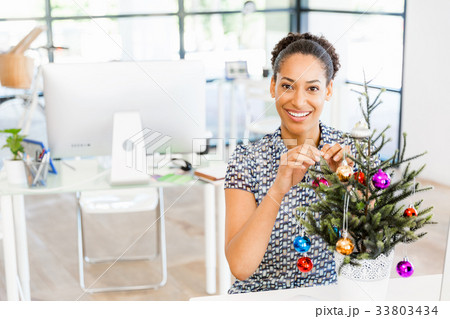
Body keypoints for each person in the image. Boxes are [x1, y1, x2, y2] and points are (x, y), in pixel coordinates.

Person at [224, 32, 360, 293]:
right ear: (273, 85)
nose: (298, 101)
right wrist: (278, 189)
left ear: (328, 89)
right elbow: (241, 267)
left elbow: (372, 249)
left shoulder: (350, 154)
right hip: (260, 302)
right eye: (287, 85)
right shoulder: (246, 160)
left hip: (329, 300)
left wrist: (349, 186)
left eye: (312, 88)